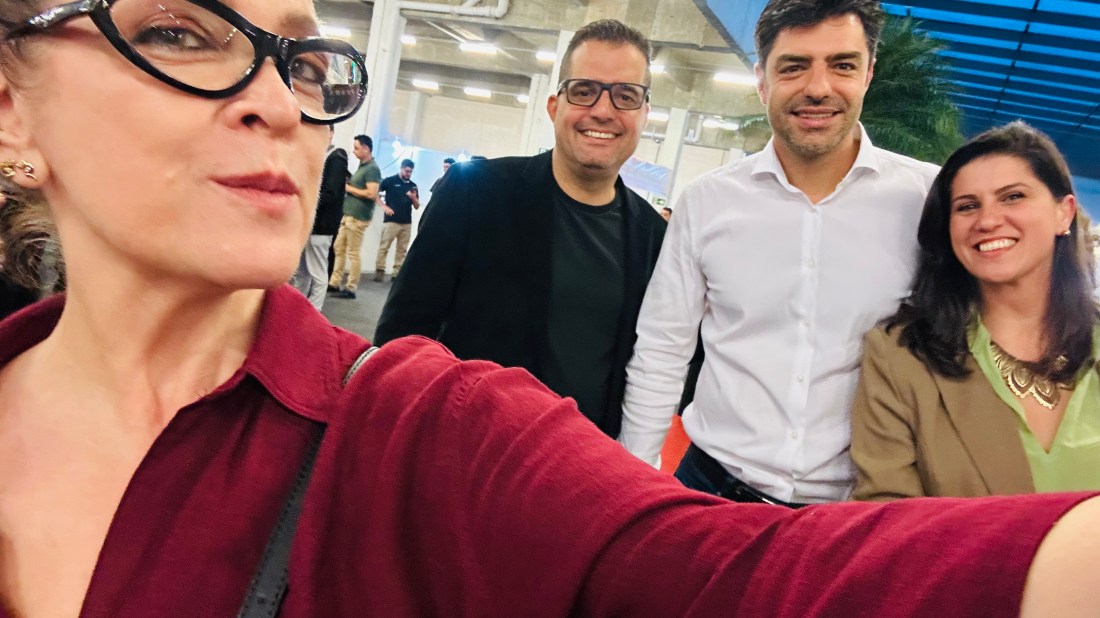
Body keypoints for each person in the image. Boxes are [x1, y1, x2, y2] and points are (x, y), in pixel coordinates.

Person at [4, 1, 1100, 616]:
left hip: (601, 495)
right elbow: (438, 328)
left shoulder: (666, 230)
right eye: (176, 32)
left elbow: (720, 565)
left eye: (302, 61)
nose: (271, 103)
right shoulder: (501, 201)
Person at [619, 0, 940, 505]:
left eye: (842, 65)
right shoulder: (707, 201)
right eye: (794, 66)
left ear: (868, 74)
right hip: (712, 491)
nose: (818, 87)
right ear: (761, 80)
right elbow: (663, 348)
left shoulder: (927, 200)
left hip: (859, 509)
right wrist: (634, 482)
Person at [374, 20, 667, 437]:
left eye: (626, 96)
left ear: (644, 115)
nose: (603, 111)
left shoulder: (655, 237)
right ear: (555, 106)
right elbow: (403, 335)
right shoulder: (475, 193)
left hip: (586, 462)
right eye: (584, 91)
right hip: (469, 451)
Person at [851, 122, 1100, 499]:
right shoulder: (900, 358)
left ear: (1063, 213)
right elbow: (888, 511)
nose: (987, 221)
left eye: (1013, 197)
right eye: (967, 206)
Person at [290, 125, 347, 310]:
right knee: (302, 272)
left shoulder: (336, 158)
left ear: (331, 133)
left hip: (322, 226)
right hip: (312, 225)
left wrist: (305, 196)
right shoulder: (322, 156)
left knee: (318, 273)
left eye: (324, 129)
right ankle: (297, 309)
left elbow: (330, 194)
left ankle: (315, 313)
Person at [327, 134, 380, 299]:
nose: (354, 151)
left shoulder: (372, 169)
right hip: (348, 214)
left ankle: (351, 287)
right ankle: (334, 282)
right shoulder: (363, 167)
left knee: (353, 252)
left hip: (358, 217)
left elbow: (372, 193)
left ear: (366, 149)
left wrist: (349, 189)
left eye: (357, 148)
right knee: (339, 248)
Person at [373, 158, 419, 282]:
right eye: (407, 171)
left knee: (402, 250)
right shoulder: (390, 181)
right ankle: (380, 270)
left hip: (406, 223)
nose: (409, 174)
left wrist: (414, 198)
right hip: (391, 220)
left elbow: (417, 206)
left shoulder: (413, 186)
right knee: (384, 247)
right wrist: (384, 206)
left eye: (411, 172)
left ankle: (396, 274)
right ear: (401, 168)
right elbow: (374, 194)